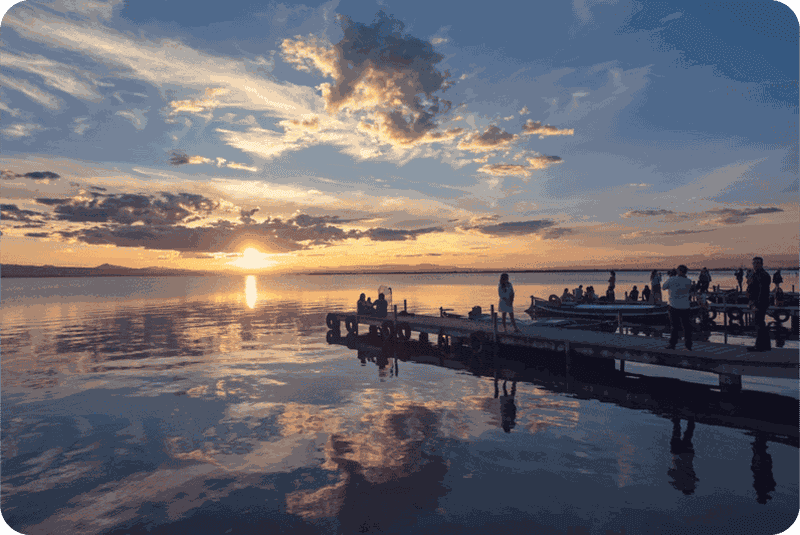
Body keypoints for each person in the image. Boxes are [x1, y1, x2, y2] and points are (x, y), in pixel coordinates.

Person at [662, 265, 693, 350]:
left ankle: (672, 344)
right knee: (687, 327)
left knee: (674, 327)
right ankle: (688, 345)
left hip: (674, 306)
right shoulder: (689, 281)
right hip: (686, 306)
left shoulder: (672, 279)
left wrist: (671, 277)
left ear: (679, 271)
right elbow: (690, 290)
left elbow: (663, 287)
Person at [747, 256, 772, 352]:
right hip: (756, 302)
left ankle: (759, 346)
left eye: (757, 263)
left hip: (760, 302)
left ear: (762, 264)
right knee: (760, 323)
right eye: (754, 263)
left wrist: (756, 304)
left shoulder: (763, 275)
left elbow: (762, 292)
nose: (755, 265)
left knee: (759, 323)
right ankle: (766, 345)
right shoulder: (754, 274)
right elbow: (751, 288)